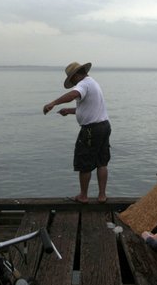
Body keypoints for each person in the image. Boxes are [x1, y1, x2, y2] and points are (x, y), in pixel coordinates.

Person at [43, 61, 111, 204]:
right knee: (101, 162)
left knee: (84, 162)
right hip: (104, 126)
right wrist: (69, 111)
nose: (73, 83)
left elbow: (73, 94)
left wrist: (53, 103)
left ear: (76, 75)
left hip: (91, 130)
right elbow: (90, 109)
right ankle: (102, 196)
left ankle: (83, 196)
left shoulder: (83, 84)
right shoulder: (93, 83)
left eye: (72, 79)